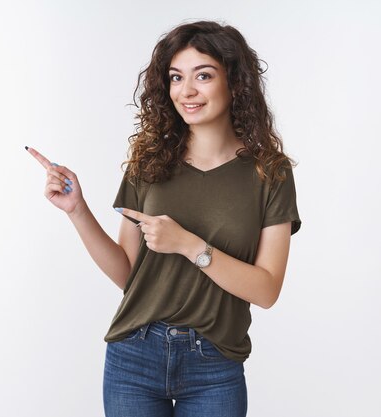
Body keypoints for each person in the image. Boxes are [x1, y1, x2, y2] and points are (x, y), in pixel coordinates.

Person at [26, 20, 301, 417]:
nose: (186, 91)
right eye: (176, 77)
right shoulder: (149, 162)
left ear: (234, 81)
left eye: (202, 76)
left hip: (215, 363)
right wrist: (78, 211)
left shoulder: (269, 173)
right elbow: (127, 273)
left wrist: (189, 245)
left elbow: (266, 290)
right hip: (134, 356)